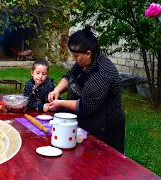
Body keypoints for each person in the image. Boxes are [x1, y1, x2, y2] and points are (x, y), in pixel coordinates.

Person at [47, 25, 126, 154]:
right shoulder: (85, 62)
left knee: (104, 162)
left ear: (88, 53)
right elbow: (70, 76)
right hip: (88, 121)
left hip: (105, 126)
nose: (73, 59)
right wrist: (56, 90)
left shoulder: (102, 74)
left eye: (76, 56)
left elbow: (86, 106)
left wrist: (60, 103)